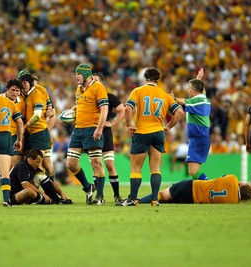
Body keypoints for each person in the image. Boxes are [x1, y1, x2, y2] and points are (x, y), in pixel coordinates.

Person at [119, 67, 184, 207]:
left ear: (145, 78)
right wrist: (168, 127)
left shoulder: (138, 91)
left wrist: (129, 125)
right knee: (155, 168)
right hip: (158, 133)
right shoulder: (164, 94)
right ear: (158, 79)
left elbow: (127, 108)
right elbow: (179, 112)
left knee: (136, 168)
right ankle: (155, 200)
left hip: (142, 132)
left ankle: (133, 199)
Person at [66, 63, 108, 205]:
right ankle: (88, 186)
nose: (76, 76)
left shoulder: (98, 87)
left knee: (96, 162)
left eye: (78, 74)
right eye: (75, 74)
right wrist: (74, 109)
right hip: (78, 129)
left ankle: (100, 196)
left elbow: (104, 109)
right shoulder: (79, 89)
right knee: (71, 163)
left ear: (85, 75)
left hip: (92, 128)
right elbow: (84, 103)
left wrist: (99, 128)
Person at [171, 69, 211, 180]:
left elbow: (184, 101)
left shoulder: (198, 100)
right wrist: (199, 78)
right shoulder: (203, 98)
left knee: (193, 171)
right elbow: (201, 90)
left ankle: (210, 187)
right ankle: (203, 192)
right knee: (195, 171)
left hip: (198, 139)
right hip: (200, 138)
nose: (188, 91)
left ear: (193, 90)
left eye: (189, 88)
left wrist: (172, 98)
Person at [92, 73, 125, 203]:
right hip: (92, 133)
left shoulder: (109, 97)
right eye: (92, 80)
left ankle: (117, 195)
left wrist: (112, 123)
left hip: (105, 134)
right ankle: (99, 196)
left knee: (110, 165)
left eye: (96, 80)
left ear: (102, 83)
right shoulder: (88, 97)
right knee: (96, 165)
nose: (93, 83)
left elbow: (122, 110)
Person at [18, 73, 55, 183]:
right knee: (28, 162)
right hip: (28, 134)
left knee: (42, 164)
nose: (23, 85)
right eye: (21, 83)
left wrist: (46, 129)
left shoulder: (39, 92)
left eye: (25, 83)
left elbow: (48, 113)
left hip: (39, 133)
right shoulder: (20, 93)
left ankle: (50, 189)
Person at [139, 174, 251, 204]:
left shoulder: (233, 180)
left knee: (162, 195)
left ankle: (137, 201)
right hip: (191, 200)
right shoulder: (233, 201)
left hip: (192, 186)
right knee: (165, 201)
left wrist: (244, 182)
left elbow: (223, 177)